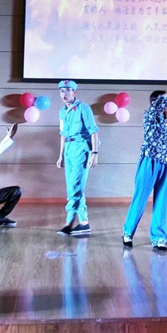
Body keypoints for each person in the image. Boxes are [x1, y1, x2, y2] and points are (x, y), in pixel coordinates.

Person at [122, 91, 167, 251]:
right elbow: (154, 110)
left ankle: (159, 237)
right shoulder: (149, 117)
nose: (165, 104)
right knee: (140, 198)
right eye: (161, 101)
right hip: (149, 161)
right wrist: (162, 98)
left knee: (162, 201)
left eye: (166, 102)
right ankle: (128, 232)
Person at [56, 79, 100, 236]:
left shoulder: (83, 108)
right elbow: (63, 134)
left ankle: (68, 223)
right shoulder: (62, 112)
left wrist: (94, 153)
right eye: (62, 91)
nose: (64, 93)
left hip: (81, 149)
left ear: (74, 92)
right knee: (73, 187)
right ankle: (84, 222)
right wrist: (60, 155)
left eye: (68, 90)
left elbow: (93, 131)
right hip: (68, 150)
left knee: (74, 187)